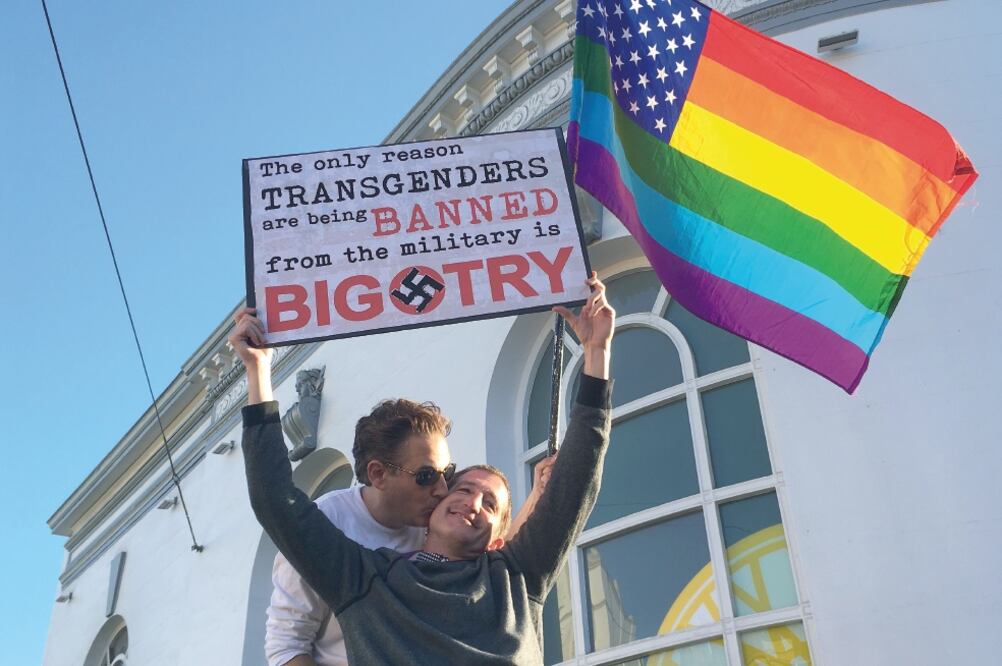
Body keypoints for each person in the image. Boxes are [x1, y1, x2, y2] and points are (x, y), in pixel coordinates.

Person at [236, 274, 614, 664]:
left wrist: (596, 352)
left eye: (490, 505)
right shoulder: (368, 578)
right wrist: (258, 373)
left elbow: (575, 485)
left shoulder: (515, 579)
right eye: (460, 488)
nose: (470, 502)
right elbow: (276, 501)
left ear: (497, 539)